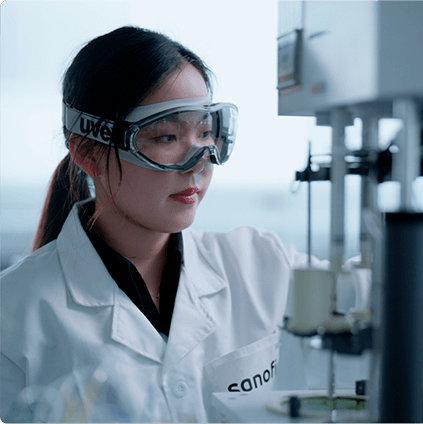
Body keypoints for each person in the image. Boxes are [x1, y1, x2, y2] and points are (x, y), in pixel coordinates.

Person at [0, 26, 368, 423]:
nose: (199, 161)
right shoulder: (15, 311)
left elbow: (384, 296)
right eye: (167, 136)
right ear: (89, 153)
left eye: (207, 134)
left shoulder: (259, 262)